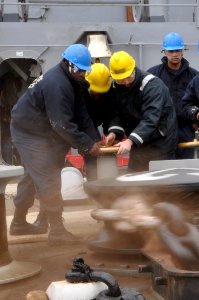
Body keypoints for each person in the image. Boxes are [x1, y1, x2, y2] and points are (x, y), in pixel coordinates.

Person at [10, 43, 101, 246]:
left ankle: (20, 223)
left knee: (34, 176)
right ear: (69, 64)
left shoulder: (73, 80)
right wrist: (87, 145)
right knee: (49, 177)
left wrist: (94, 139)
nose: (83, 75)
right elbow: (62, 124)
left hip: (42, 131)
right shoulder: (58, 84)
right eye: (80, 70)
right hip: (30, 133)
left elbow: (81, 115)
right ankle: (57, 231)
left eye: (85, 71)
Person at [105, 50, 178, 172]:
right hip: (139, 143)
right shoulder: (117, 87)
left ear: (134, 68)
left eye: (129, 77)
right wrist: (114, 133)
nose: (126, 83)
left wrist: (130, 141)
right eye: (121, 80)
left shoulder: (153, 85)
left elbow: (151, 118)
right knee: (136, 180)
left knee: (161, 183)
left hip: (161, 142)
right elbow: (117, 114)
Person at [147, 32, 198, 158]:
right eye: (171, 51)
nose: (175, 54)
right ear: (164, 52)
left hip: (187, 131)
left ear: (182, 51)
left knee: (187, 168)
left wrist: (195, 122)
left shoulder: (194, 76)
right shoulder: (153, 75)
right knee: (164, 169)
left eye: (178, 50)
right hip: (161, 132)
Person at [83, 62, 113, 179]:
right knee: (91, 151)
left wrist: (112, 133)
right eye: (95, 91)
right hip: (85, 124)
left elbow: (111, 114)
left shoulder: (110, 92)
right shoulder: (80, 92)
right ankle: (93, 183)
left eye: (101, 92)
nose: (97, 94)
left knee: (107, 151)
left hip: (96, 122)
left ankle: (108, 183)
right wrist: (92, 141)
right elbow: (83, 120)